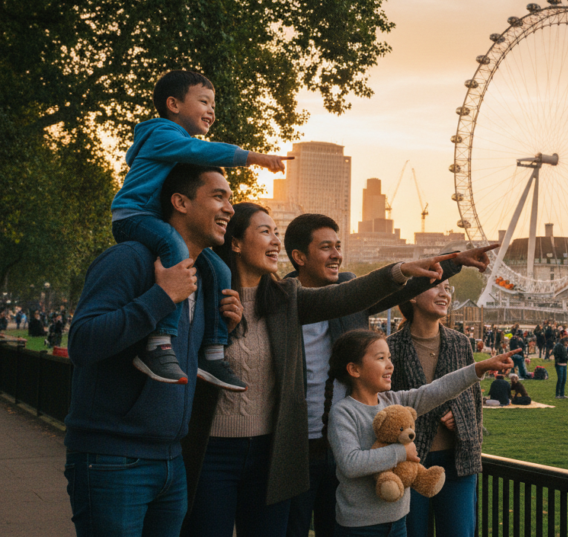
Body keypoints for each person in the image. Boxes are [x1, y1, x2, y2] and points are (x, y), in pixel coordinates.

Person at [180, 202, 458, 537]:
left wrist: (441, 265)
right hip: (278, 449)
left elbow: (355, 294)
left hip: (320, 448)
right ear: (236, 242)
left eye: (275, 233)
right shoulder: (213, 298)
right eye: (265, 231)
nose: (273, 242)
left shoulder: (286, 299)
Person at [283, 215, 492, 537]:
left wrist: (454, 263)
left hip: (353, 447)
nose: (337, 254)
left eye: (339, 246)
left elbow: (403, 288)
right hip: (296, 449)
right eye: (326, 247)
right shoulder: (281, 302)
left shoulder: (351, 295)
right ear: (299, 257)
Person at [64, 164, 244, 536]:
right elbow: (82, 342)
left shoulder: (206, 276)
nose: (230, 209)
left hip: (171, 461)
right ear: (180, 202)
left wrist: (220, 331)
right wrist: (162, 296)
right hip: (113, 460)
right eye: (218, 196)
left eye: (231, 199)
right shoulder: (128, 259)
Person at [111, 70, 291, 390]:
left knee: (220, 270)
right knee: (176, 249)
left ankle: (213, 352)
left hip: (155, 218)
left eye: (214, 105)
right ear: (173, 104)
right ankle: (159, 344)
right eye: (204, 101)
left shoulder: (173, 145)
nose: (212, 110)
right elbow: (201, 152)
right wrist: (254, 157)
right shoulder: (163, 135)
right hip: (133, 215)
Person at [326, 329, 516, 537]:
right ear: (354, 369)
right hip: (359, 528)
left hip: (398, 524)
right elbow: (350, 463)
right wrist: (401, 452)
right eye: (381, 358)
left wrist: (479, 368)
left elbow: (437, 390)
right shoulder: (343, 412)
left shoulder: (393, 401)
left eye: (389, 357)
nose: (390, 365)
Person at [553, 333, 568, 399]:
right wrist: (567, 358)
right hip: (559, 364)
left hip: (564, 364)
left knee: (564, 379)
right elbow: (562, 355)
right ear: (565, 341)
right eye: (567, 342)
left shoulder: (564, 347)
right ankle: (557, 394)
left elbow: (565, 355)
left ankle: (562, 394)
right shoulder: (559, 346)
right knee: (560, 379)